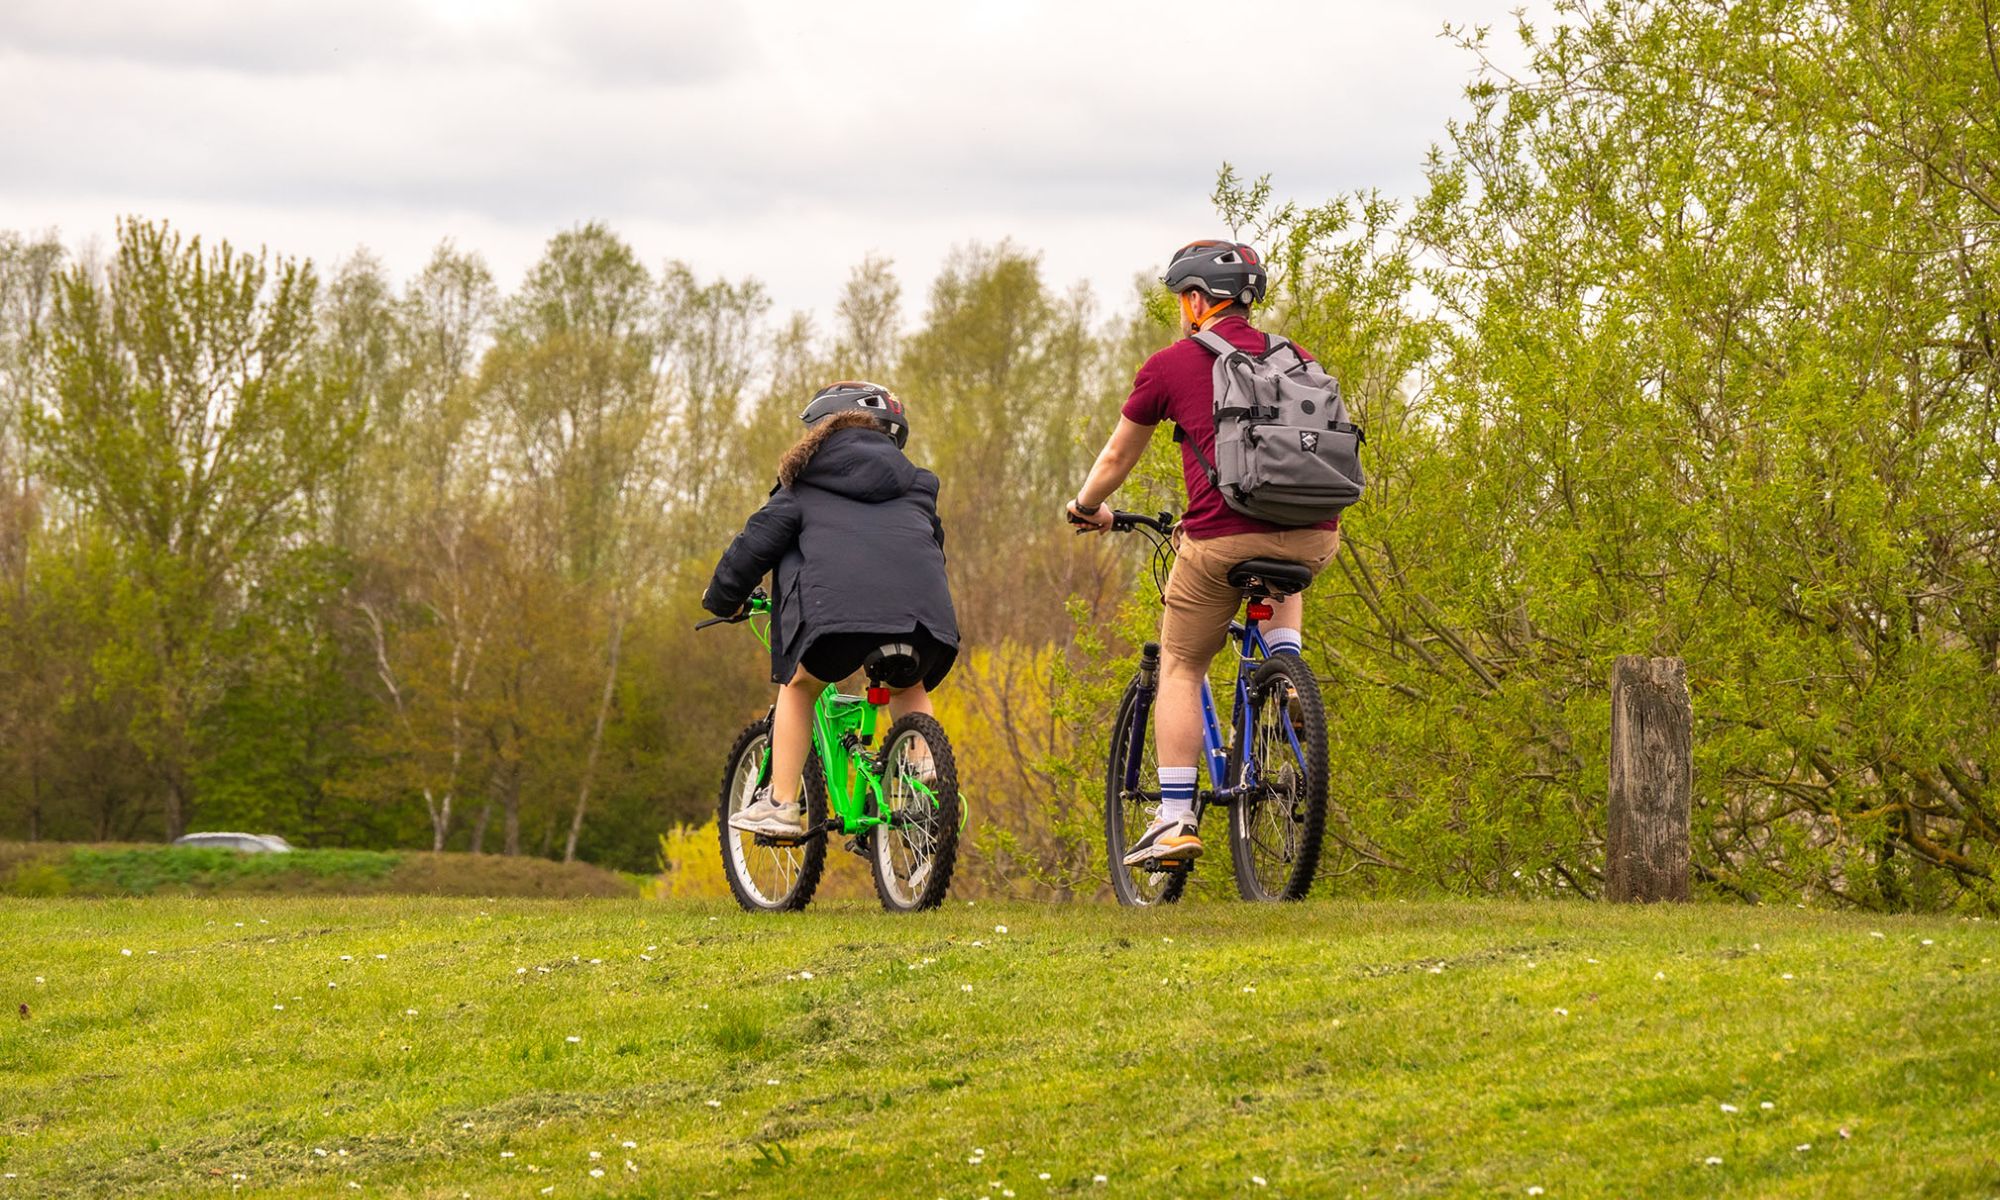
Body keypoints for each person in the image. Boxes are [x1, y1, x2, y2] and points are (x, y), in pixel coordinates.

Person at [1066, 240, 1341, 866]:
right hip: (1316, 534)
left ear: (1195, 301)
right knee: (1284, 562)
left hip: (1221, 539)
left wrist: (1086, 506)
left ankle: (1175, 817)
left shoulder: (1171, 364)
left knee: (1183, 666)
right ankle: (1286, 670)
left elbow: (1116, 458)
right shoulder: (1298, 358)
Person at [703, 382, 959, 838]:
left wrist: (724, 598)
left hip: (837, 619)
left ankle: (781, 803)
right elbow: (931, 546)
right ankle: (926, 772)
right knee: (908, 682)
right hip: (923, 617)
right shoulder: (919, 485)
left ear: (821, 431)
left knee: (801, 685)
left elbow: (753, 548)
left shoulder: (801, 486)